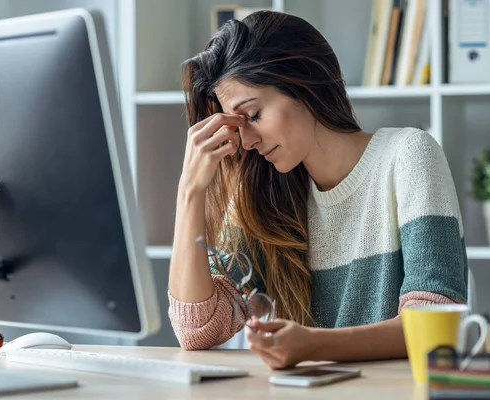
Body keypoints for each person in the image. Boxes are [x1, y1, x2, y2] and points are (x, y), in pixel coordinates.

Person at [167, 10, 468, 370]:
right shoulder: (263, 194)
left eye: (253, 115)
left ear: (304, 83)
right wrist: (190, 191)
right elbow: (197, 330)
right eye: (236, 124)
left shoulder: (408, 156)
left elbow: (435, 327)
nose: (245, 141)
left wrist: (312, 345)